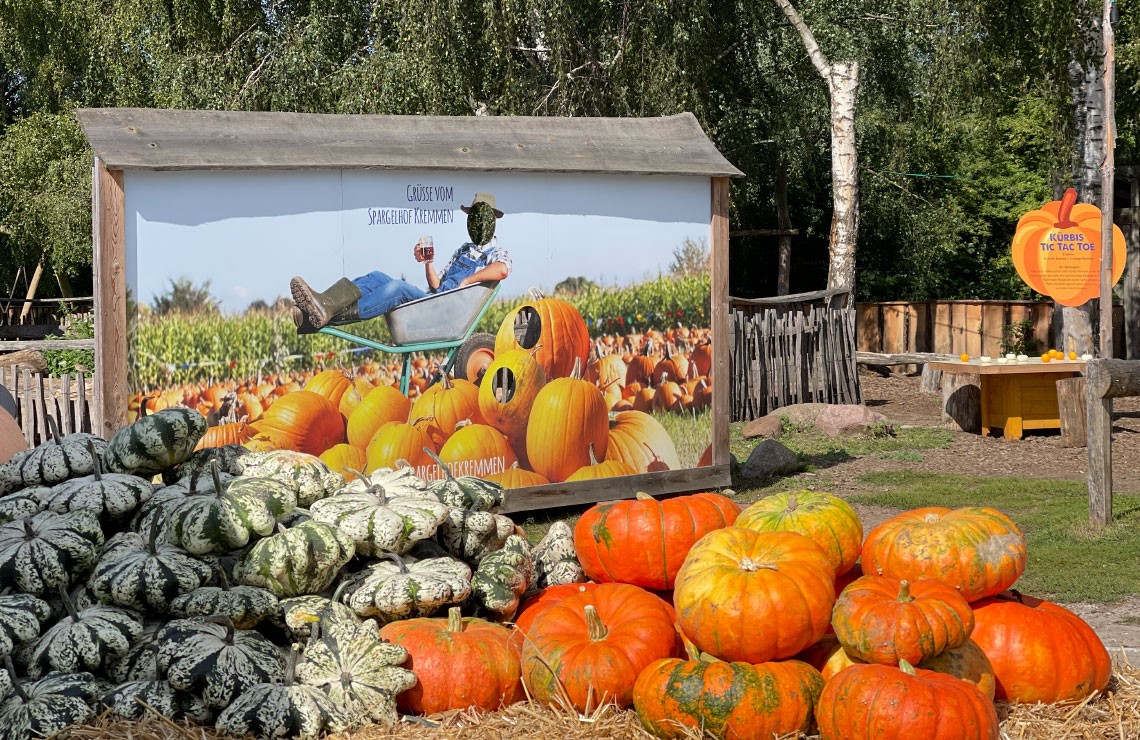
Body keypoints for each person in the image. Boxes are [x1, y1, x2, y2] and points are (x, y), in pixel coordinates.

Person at [290, 193, 511, 332]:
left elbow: (502, 270)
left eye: (481, 216)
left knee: (397, 288)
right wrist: (428, 262)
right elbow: (436, 285)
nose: (476, 221)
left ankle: (325, 314)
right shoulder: (463, 249)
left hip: (446, 314)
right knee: (377, 277)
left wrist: (469, 281)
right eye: (473, 216)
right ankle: (324, 303)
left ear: (491, 220)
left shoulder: (496, 253)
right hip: (435, 300)